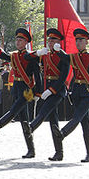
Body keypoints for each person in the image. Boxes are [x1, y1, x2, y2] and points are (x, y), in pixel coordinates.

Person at [52, 28, 89, 162]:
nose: (78, 42)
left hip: (88, 94)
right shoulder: (73, 57)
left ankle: (62, 133)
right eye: (77, 40)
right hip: (76, 93)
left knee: (76, 117)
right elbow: (64, 57)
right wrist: (58, 50)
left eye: (81, 40)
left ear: (86, 42)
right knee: (85, 124)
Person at [0, 28, 41, 158]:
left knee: (14, 109)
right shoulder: (14, 55)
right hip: (17, 87)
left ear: (26, 42)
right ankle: (31, 150)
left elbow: (37, 75)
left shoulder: (31, 57)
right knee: (24, 120)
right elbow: (5, 56)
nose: (18, 42)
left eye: (20, 40)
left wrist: (38, 92)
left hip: (27, 89)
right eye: (17, 40)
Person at [21, 28, 70, 161]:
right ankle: (59, 153)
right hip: (46, 90)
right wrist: (37, 53)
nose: (50, 42)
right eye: (49, 39)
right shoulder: (45, 54)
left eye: (53, 40)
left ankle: (31, 126)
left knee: (44, 111)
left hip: (57, 91)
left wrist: (51, 90)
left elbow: (63, 77)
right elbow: (26, 57)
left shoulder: (63, 55)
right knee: (53, 123)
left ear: (59, 41)